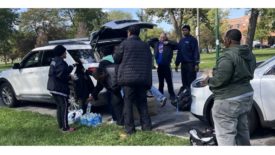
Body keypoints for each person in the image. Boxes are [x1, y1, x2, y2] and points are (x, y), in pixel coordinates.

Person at [202, 29, 256, 145]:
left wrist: (208, 81)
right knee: (242, 131)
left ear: (228, 40)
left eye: (224, 40)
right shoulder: (249, 54)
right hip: (246, 96)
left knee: (226, 135)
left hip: (228, 100)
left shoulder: (227, 56)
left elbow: (221, 79)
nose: (224, 42)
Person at [113, 26, 152, 135]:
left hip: (128, 79)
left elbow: (116, 59)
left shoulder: (124, 44)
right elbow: (150, 61)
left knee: (128, 103)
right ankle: (147, 127)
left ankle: (130, 129)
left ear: (129, 33)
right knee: (142, 103)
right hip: (142, 79)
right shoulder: (145, 45)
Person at [91, 45, 124, 126]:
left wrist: (94, 94)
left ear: (102, 53)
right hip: (123, 84)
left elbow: (100, 82)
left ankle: (117, 120)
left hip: (113, 87)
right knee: (123, 103)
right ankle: (124, 119)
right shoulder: (118, 59)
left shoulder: (103, 63)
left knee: (113, 103)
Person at [47, 45, 76, 132]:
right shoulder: (61, 62)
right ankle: (66, 128)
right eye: (65, 52)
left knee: (60, 107)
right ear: (61, 53)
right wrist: (71, 77)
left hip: (52, 87)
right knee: (64, 106)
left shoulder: (55, 61)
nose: (66, 53)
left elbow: (63, 70)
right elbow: (62, 75)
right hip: (59, 88)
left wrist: (72, 66)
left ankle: (61, 126)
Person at [148, 33, 177, 104]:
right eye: (161, 37)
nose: (162, 38)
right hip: (159, 66)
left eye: (163, 37)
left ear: (166, 38)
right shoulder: (156, 44)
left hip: (167, 65)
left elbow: (176, 44)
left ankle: (172, 94)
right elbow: (149, 42)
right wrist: (156, 38)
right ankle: (160, 95)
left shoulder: (169, 44)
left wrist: (168, 42)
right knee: (161, 82)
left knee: (169, 81)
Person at [175, 24, 200, 93]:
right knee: (184, 81)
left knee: (191, 82)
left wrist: (196, 64)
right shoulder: (181, 41)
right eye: (183, 30)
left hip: (191, 64)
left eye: (185, 30)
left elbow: (196, 52)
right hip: (183, 64)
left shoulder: (193, 40)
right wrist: (177, 64)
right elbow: (179, 53)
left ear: (189, 31)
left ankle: (192, 95)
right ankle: (186, 97)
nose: (183, 32)